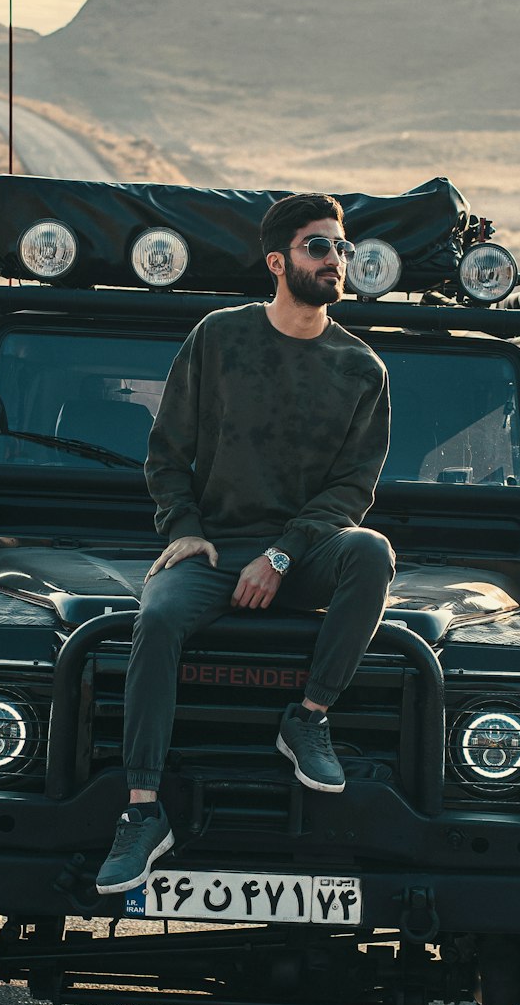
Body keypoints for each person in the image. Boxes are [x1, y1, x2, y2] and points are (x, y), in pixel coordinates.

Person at [96, 192, 395, 894]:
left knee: (372, 552)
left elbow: (350, 493)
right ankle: (143, 811)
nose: (336, 260)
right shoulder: (220, 338)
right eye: (319, 247)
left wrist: (282, 554)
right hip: (215, 545)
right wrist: (186, 531)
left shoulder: (362, 370)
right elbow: (166, 452)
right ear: (277, 261)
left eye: (342, 248)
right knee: (158, 617)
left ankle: (309, 718)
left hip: (308, 551)